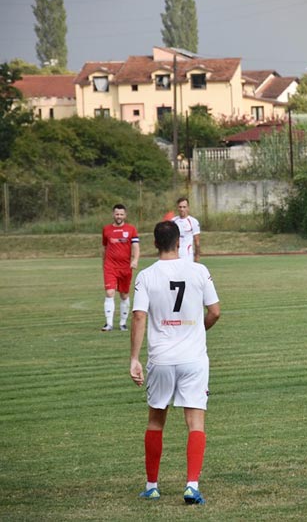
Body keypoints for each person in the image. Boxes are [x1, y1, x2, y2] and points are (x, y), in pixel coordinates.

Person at [130, 221, 221, 505]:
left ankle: (152, 485)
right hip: (194, 359)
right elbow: (215, 312)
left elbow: (139, 316)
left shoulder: (146, 276)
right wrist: (196, 331)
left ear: (155, 244)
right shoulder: (199, 270)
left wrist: (134, 358)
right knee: (195, 422)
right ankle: (192, 485)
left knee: (156, 420)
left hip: (161, 358)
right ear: (179, 243)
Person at [101, 203, 140, 331]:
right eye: (117, 214)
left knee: (124, 295)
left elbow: (135, 247)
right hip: (110, 266)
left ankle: (122, 324)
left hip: (125, 267)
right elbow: (105, 247)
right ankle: (109, 324)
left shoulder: (131, 229)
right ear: (113, 214)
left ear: (125, 215)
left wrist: (135, 260)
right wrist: (103, 263)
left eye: (121, 214)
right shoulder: (106, 229)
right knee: (109, 292)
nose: (119, 216)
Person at [171, 197, 201, 262]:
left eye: (184, 207)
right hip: (175, 255)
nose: (182, 209)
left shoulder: (193, 221)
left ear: (188, 208)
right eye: (180, 207)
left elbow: (197, 242)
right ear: (177, 208)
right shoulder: (173, 221)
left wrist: (197, 255)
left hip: (187, 255)